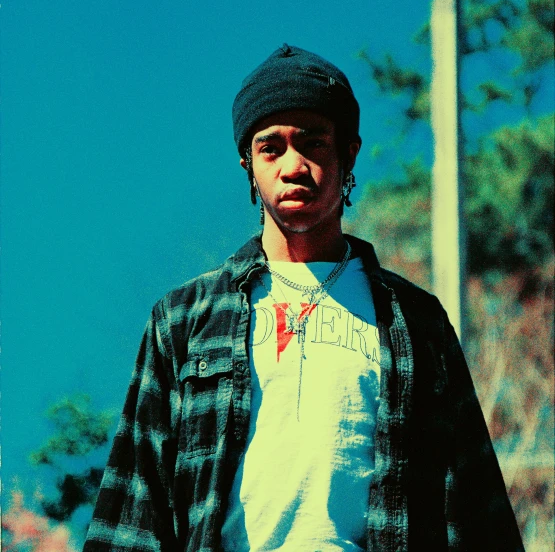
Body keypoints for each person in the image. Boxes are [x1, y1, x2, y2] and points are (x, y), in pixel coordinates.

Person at [84, 44, 524, 552]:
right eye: (271, 148)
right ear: (248, 163)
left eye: (313, 143)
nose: (293, 166)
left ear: (348, 152)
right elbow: (136, 505)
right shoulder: (186, 318)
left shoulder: (414, 322)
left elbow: (474, 509)